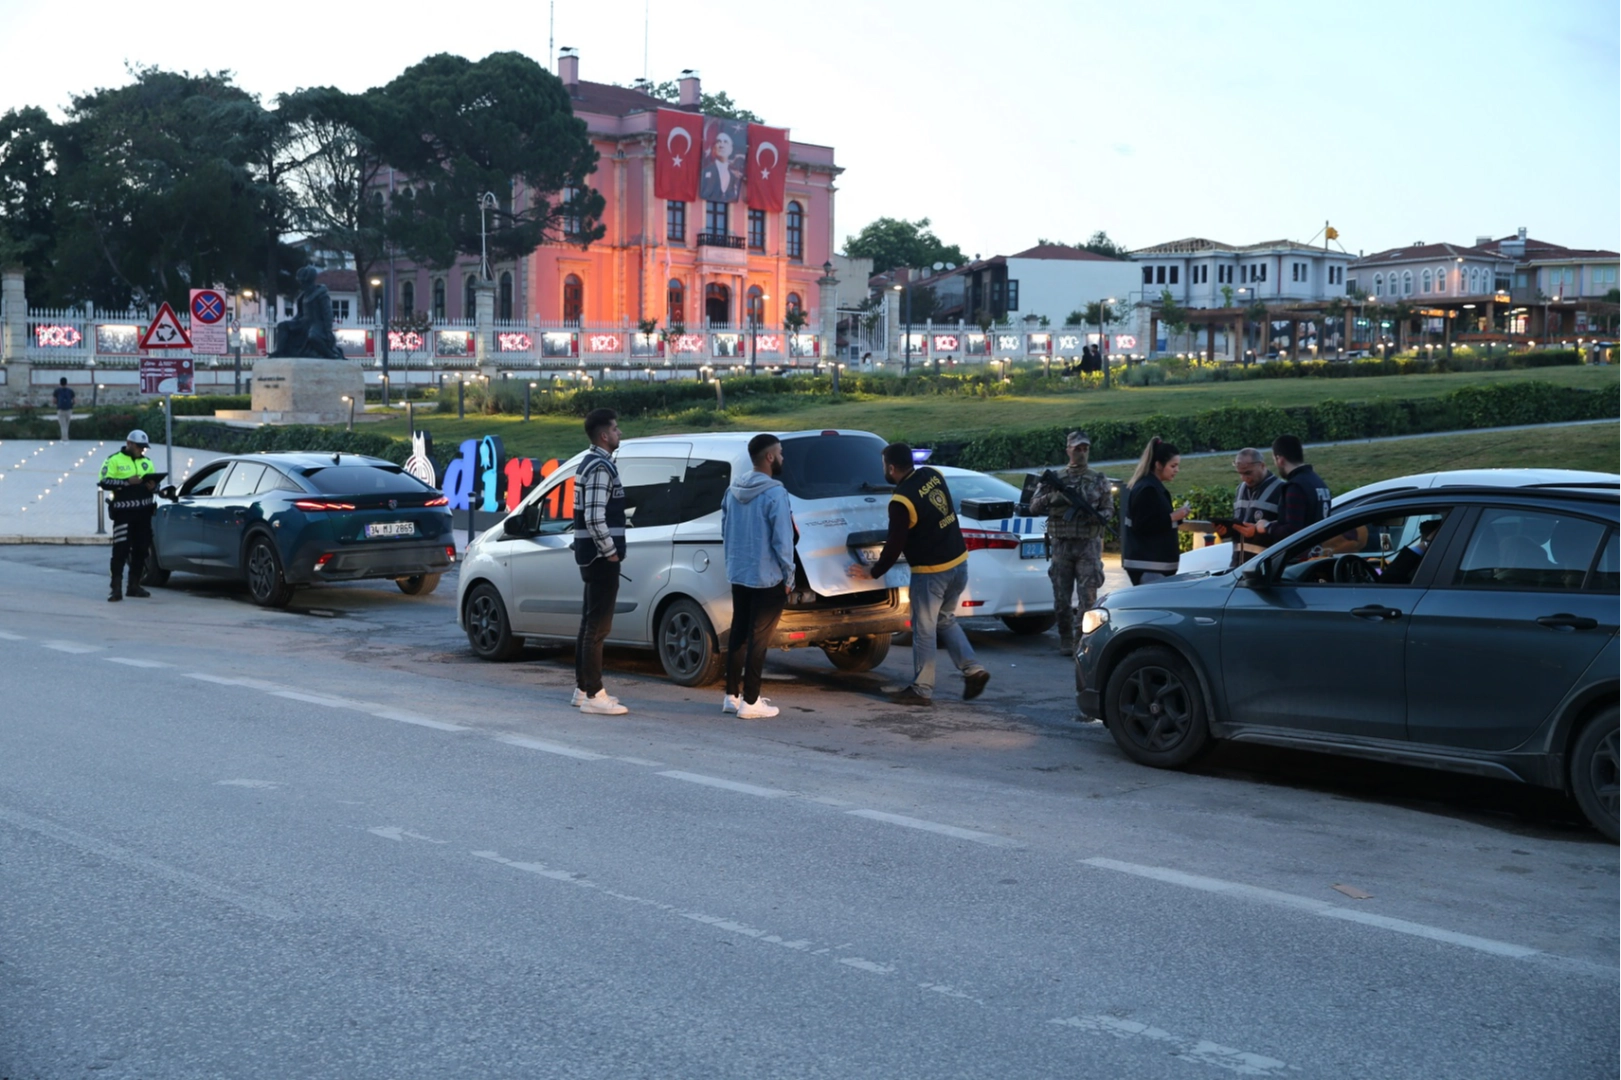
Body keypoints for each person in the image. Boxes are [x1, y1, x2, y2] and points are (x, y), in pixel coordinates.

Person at [868, 443, 991, 706]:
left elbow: (895, 544)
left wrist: (874, 571)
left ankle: (921, 690)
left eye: (884, 465)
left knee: (924, 630)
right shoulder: (933, 475)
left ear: (891, 467)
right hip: (959, 564)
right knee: (945, 619)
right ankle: (973, 669)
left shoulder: (901, 500)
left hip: (931, 573)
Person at [720, 433, 795, 720]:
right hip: (768, 577)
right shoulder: (775, 493)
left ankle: (732, 696)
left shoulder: (732, 490)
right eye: (781, 453)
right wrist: (789, 576)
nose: (782, 458)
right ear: (769, 457)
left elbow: (725, 530)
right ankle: (751, 702)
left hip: (739, 573)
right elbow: (783, 540)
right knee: (758, 640)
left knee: (738, 634)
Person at [1029, 430, 1113, 653]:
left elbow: (1108, 509)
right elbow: (1033, 506)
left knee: (1088, 598)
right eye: (1077, 449)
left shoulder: (1098, 479)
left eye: (1085, 449)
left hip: (1088, 546)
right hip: (1062, 545)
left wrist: (1097, 517)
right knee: (1061, 597)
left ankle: (1081, 639)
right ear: (1068, 450)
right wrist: (1052, 498)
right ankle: (1066, 638)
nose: (1082, 453)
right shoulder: (1055, 479)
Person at [570, 408, 629, 716]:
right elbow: (595, 517)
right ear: (604, 436)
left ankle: (583, 690)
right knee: (598, 627)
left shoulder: (589, 462)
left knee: (589, 623)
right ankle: (594, 694)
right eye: (616, 429)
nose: (620, 433)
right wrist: (610, 551)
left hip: (590, 555)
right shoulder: (601, 467)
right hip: (600, 557)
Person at [98, 429, 158, 602]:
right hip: (124, 514)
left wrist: (153, 486)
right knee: (120, 551)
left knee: (142, 550)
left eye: (143, 447)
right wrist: (126, 482)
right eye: (139, 447)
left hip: (144, 514)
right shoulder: (114, 460)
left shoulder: (147, 462)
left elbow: (155, 485)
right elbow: (104, 481)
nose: (141, 450)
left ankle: (134, 585)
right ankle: (115, 588)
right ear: (129, 444)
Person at [1121, 437, 1190, 586]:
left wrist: (1177, 517)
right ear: (1158, 465)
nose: (1177, 470)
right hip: (1149, 565)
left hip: (1152, 565)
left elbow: (1156, 521)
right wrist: (1173, 517)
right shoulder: (1148, 489)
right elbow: (1143, 525)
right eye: (1173, 466)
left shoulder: (1152, 487)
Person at [1254, 434, 1332, 545]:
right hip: (1319, 549)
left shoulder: (1295, 487)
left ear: (1280, 460)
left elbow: (1293, 531)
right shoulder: (1319, 482)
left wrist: (1267, 526)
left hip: (1302, 552)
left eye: (1274, 460)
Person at [270, 266, 344, 360]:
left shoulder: (321, 295)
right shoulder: (302, 295)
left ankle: (330, 354)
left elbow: (327, 314)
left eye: (304, 283)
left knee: (313, 336)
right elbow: (299, 314)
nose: (302, 285)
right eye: (301, 283)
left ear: (310, 282)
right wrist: (292, 323)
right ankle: (279, 351)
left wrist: (328, 331)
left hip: (317, 323)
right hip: (303, 323)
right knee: (282, 325)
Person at [1226, 447, 1283, 567]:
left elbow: (1287, 530)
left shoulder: (1282, 489)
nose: (1243, 478)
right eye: (1240, 473)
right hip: (1237, 566)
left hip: (1265, 566)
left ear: (1262, 465)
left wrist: (1258, 531)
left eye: (1248, 473)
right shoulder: (1240, 489)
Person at [699, 129, 743, 203]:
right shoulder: (705, 171)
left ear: (731, 149)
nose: (721, 145)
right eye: (718, 142)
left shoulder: (734, 176)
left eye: (725, 142)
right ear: (714, 148)